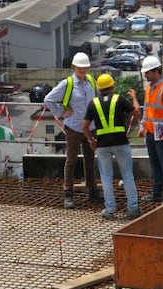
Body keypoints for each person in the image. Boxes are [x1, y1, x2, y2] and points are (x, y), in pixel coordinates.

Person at [44, 52, 102, 209]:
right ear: (74, 67)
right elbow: (48, 99)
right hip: (74, 129)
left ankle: (92, 190)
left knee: (90, 160)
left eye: (85, 67)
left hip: (90, 128)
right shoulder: (67, 84)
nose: (83, 70)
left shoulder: (90, 81)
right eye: (80, 67)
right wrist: (61, 112)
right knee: (71, 161)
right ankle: (68, 194)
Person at [82, 73, 142, 220]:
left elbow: (84, 127)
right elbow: (136, 112)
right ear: (112, 86)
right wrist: (134, 97)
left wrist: (91, 141)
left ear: (99, 88)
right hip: (121, 143)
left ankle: (110, 210)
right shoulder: (119, 99)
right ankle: (133, 209)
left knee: (106, 178)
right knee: (127, 175)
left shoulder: (93, 103)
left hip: (102, 146)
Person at [138, 56, 163, 205]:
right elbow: (146, 109)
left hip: (162, 135)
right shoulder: (149, 88)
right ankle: (157, 193)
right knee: (155, 164)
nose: (145, 76)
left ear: (156, 72)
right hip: (150, 133)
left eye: (147, 73)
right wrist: (142, 125)